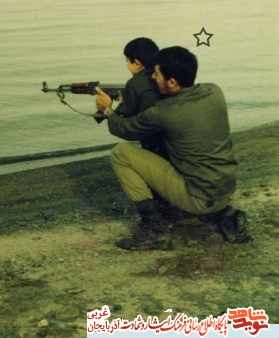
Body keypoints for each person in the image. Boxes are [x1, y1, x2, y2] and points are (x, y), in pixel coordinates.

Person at [94, 46, 250, 250]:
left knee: (121, 153)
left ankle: (153, 231)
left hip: (198, 199)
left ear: (172, 82)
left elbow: (123, 129)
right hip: (226, 190)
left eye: (156, 74)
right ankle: (221, 214)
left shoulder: (163, 112)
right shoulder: (214, 91)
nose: (153, 78)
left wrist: (107, 109)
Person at [98, 37, 163, 156]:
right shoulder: (162, 78)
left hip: (157, 151)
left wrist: (107, 109)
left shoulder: (135, 83)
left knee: (119, 153)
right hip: (168, 145)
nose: (127, 65)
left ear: (137, 64)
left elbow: (125, 127)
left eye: (127, 60)